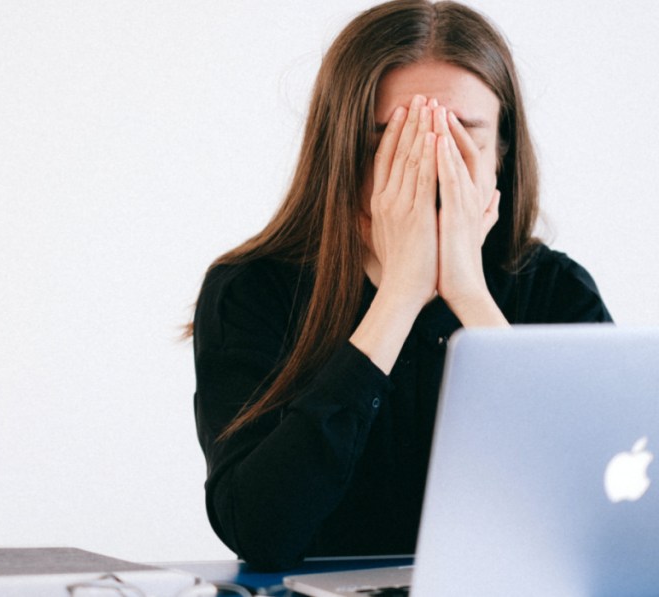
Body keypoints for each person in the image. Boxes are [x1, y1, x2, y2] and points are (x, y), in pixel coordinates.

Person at [191, 0, 612, 571]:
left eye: (462, 140)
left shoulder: (556, 291)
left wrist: (468, 294)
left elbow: (597, 513)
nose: (431, 168)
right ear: (342, 154)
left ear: (501, 157)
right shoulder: (251, 291)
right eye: (394, 141)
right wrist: (398, 297)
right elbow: (261, 531)